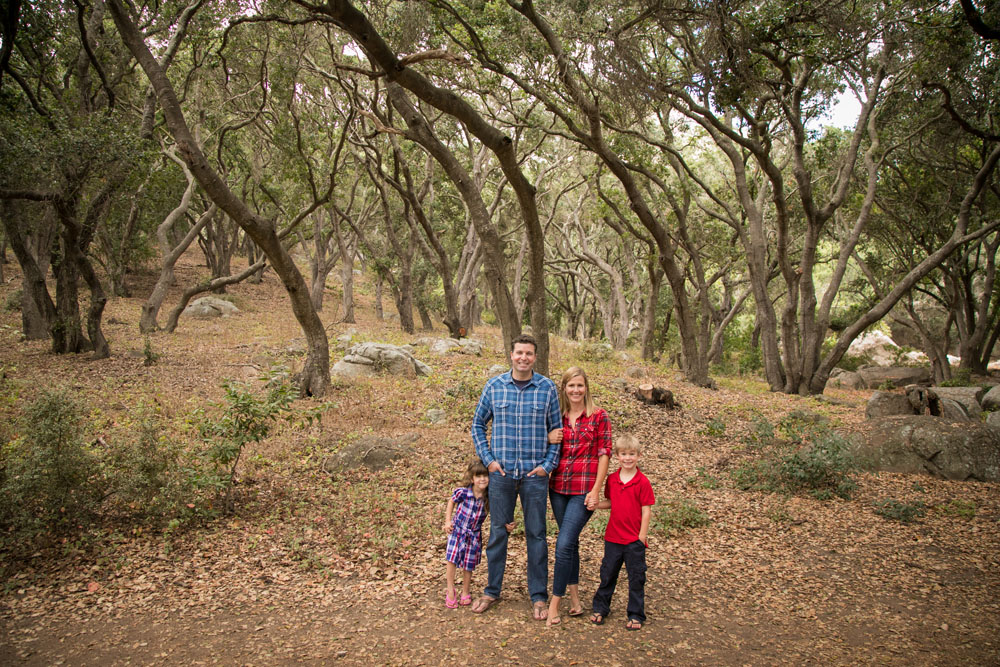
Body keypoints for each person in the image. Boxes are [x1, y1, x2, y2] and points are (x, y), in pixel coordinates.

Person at [471, 333, 562, 620]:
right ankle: (492, 590)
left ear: (535, 357)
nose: (524, 358)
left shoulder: (547, 388)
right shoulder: (495, 387)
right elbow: (477, 425)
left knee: (537, 534)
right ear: (511, 354)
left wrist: (547, 466)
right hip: (502, 474)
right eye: (519, 352)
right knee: (498, 532)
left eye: (529, 353)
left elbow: (557, 433)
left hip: (535, 476)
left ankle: (538, 595)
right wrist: (489, 461)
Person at [546, 367, 611, 626]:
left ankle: (555, 603)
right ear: (564, 388)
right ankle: (575, 599)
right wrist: (548, 437)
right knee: (569, 544)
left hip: (583, 491)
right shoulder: (556, 417)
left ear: (586, 388)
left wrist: (596, 489)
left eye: (580, 385)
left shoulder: (598, 416)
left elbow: (604, 453)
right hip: (558, 487)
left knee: (563, 545)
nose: (575, 390)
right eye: (571, 386)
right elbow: (544, 445)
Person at [590, 434, 655, 630]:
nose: (628, 458)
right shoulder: (612, 480)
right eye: (624, 454)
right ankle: (601, 608)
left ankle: (636, 614)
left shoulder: (642, 482)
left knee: (636, 577)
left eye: (632, 454)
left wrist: (641, 537)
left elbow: (646, 510)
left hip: (634, 540)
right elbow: (611, 503)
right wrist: (596, 505)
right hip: (613, 538)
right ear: (617, 456)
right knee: (608, 574)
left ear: (639, 456)